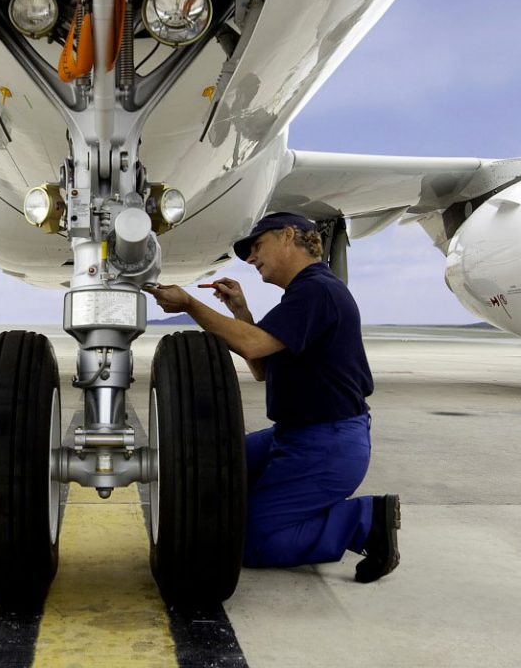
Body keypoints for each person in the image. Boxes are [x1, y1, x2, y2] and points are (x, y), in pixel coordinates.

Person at [149, 212, 400, 582]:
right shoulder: (303, 295)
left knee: (252, 540)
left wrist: (190, 304)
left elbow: (252, 344)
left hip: (327, 444)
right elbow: (263, 367)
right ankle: (285, 506)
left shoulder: (317, 290)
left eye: (257, 246)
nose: (250, 258)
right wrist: (240, 311)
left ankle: (363, 521)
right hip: (296, 435)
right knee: (212, 468)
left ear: (287, 236)